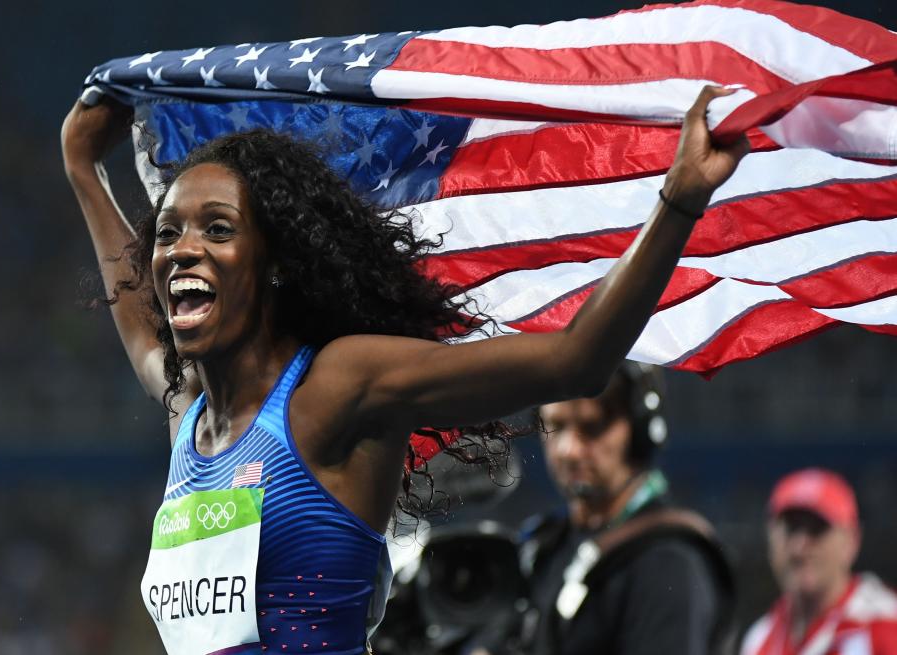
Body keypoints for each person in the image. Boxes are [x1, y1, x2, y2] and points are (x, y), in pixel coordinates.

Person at [60, 84, 748, 655]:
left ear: (273, 266)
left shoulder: (332, 391)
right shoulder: (190, 420)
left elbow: (576, 359)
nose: (181, 249)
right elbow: (144, 330)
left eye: (216, 228)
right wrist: (84, 170)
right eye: (169, 230)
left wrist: (678, 199)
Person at [463, 363, 735, 655]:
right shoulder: (544, 546)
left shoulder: (668, 562)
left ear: (640, 429)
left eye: (591, 428)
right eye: (554, 426)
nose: (569, 449)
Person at [740, 469, 897, 655]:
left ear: (851, 540)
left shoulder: (884, 624)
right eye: (791, 529)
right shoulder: (760, 638)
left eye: (817, 529)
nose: (800, 547)